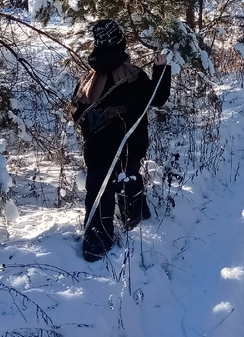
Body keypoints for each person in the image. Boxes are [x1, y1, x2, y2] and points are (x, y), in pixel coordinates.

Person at [72, 19, 171, 262]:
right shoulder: (133, 76)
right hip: (130, 146)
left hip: (96, 150)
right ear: (120, 42)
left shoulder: (88, 80)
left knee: (98, 189)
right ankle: (134, 219)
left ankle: (96, 244)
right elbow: (157, 100)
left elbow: (77, 114)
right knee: (130, 177)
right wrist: (161, 69)